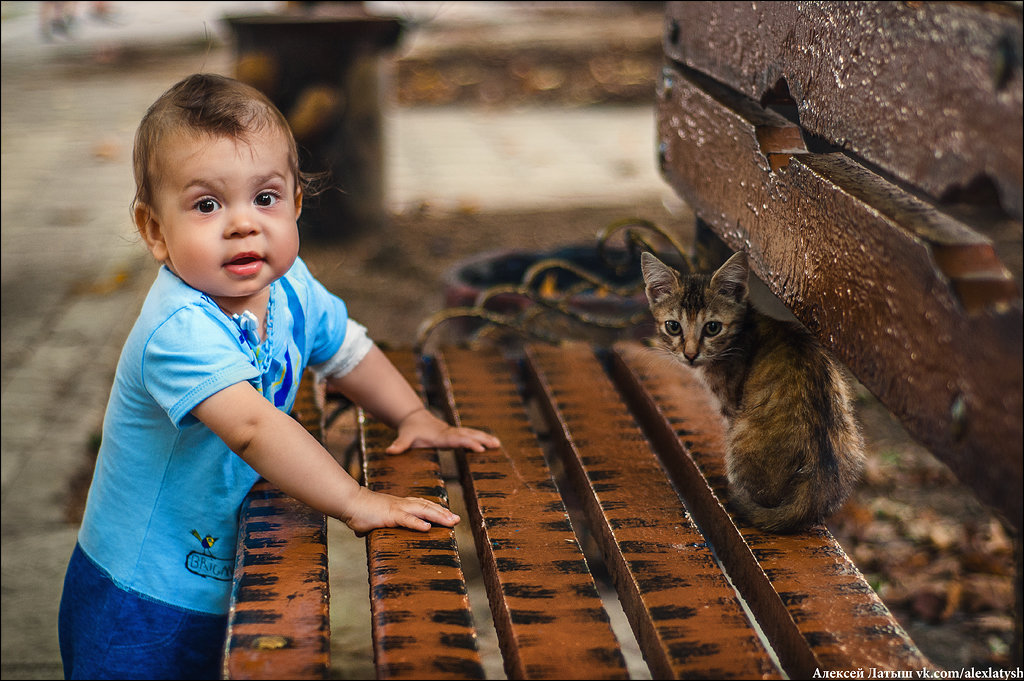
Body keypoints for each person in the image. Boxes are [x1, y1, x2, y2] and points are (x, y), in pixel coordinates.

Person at [57, 73, 500, 680]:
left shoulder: (288, 286)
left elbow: (346, 348)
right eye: (207, 205)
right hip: (142, 594)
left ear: (294, 203)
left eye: (263, 198)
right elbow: (252, 429)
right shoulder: (178, 327)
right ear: (155, 231)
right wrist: (354, 500)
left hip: (219, 569)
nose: (243, 224)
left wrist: (412, 416)